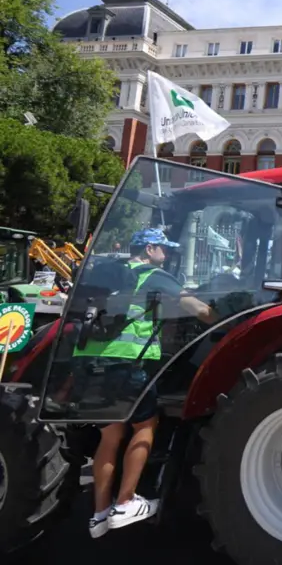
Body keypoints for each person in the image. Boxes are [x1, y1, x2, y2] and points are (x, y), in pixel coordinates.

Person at [74, 228, 216, 538]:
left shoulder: (109, 271)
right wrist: (218, 318)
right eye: (163, 249)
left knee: (110, 436)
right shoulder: (152, 274)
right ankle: (125, 502)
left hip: (91, 360)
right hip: (126, 362)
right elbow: (197, 309)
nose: (166, 255)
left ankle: (99, 514)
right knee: (145, 426)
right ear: (150, 249)